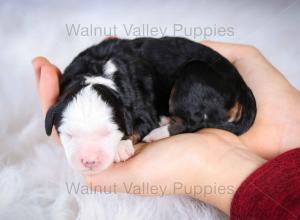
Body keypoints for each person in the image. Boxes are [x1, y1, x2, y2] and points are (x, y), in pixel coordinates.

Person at [32, 41, 300, 219]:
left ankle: (185, 123)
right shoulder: (73, 87)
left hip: (209, 81)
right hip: (204, 86)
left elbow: (143, 119)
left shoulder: (131, 104)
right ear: (53, 122)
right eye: (70, 135)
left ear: (125, 118)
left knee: (187, 90)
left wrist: (129, 139)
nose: (87, 157)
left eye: (105, 134)